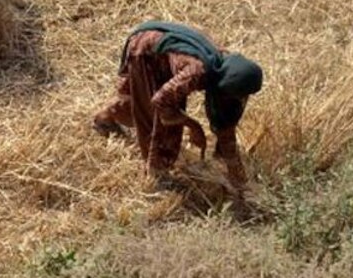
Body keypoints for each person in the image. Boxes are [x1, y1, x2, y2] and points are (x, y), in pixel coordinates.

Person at [92, 21, 263, 195]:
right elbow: (160, 102)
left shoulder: (224, 67)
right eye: (236, 95)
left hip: (154, 42)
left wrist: (237, 175)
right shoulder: (197, 71)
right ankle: (158, 175)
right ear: (226, 87)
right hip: (144, 50)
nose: (240, 100)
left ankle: (104, 119)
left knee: (139, 100)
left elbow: (225, 122)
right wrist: (193, 125)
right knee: (160, 124)